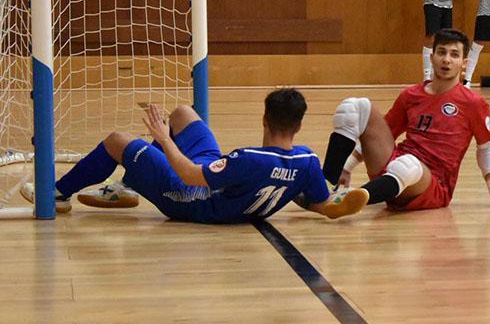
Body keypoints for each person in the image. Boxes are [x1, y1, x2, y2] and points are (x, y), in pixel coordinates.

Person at [20, 89, 336, 223]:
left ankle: (57, 194)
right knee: (184, 113)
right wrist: (343, 204)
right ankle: (131, 185)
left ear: (264, 119)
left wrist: (161, 138)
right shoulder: (307, 162)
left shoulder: (249, 159)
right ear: (299, 125)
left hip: (188, 196)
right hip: (218, 183)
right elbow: (321, 204)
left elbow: (188, 176)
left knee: (117, 141)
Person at [320, 28, 490, 218]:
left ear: (464, 63)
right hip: (394, 169)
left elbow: (486, 147)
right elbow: (384, 133)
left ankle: (352, 199)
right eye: (441, 52)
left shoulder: (473, 103)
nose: (447, 60)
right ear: (431, 57)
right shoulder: (411, 95)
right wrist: (347, 167)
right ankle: (325, 187)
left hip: (433, 186)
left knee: (408, 164)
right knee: (355, 107)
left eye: (454, 54)